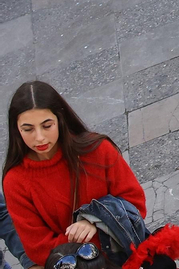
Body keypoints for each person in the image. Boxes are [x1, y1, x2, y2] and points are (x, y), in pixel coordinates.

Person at [2, 81, 146, 268]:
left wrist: (94, 222)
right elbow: (37, 248)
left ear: (60, 119)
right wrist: (86, 249)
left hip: (126, 258)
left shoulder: (98, 150)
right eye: (28, 129)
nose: (39, 137)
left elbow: (135, 202)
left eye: (47, 126)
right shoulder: (15, 181)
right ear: (16, 130)